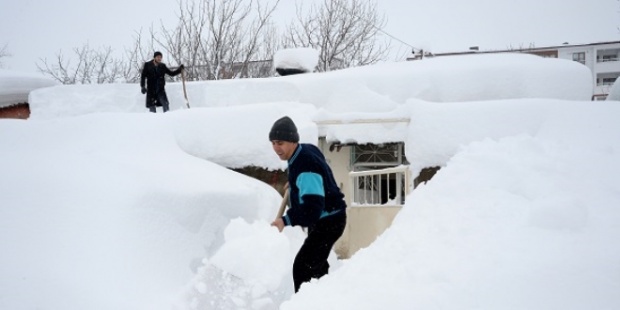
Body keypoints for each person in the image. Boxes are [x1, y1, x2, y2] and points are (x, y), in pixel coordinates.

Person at [269, 116, 347, 293]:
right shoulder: (305, 150)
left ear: (292, 141)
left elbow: (312, 210)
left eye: (280, 143)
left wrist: (285, 220)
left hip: (328, 221)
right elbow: (320, 173)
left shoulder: (305, 165)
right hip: (326, 218)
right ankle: (325, 299)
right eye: (273, 142)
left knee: (303, 269)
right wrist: (296, 184)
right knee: (316, 267)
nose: (276, 148)